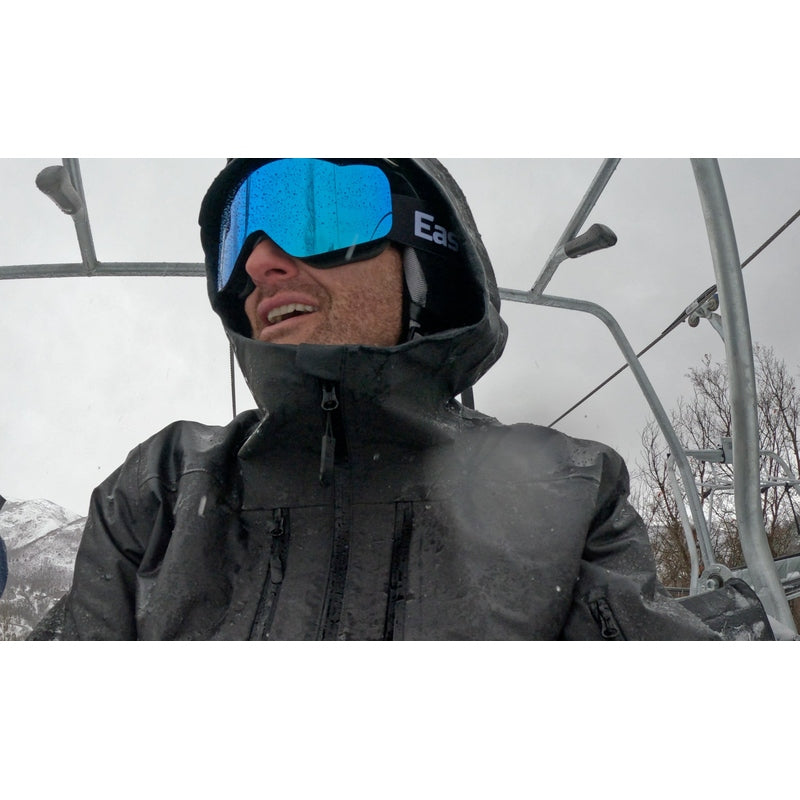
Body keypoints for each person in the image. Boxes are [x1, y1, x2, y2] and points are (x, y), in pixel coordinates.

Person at [31, 158, 724, 640]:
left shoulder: (567, 491)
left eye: (319, 212)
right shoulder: (164, 488)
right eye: (238, 238)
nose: (258, 263)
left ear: (426, 255)